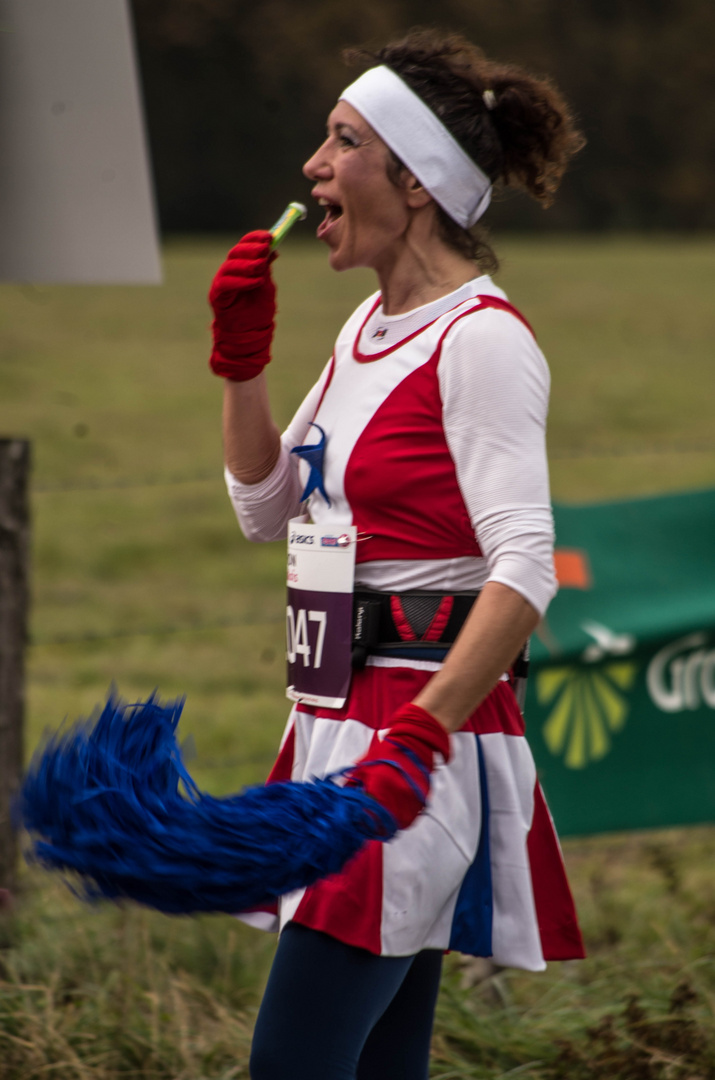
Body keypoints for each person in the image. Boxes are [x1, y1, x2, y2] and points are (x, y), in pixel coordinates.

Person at [208, 29, 586, 1080]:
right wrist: (241, 364)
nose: (312, 167)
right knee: (378, 1066)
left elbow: (525, 564)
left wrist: (414, 741)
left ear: (414, 180)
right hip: (334, 724)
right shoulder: (367, 329)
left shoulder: (482, 341)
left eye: (341, 141)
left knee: (295, 1060)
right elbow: (266, 507)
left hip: (410, 744)